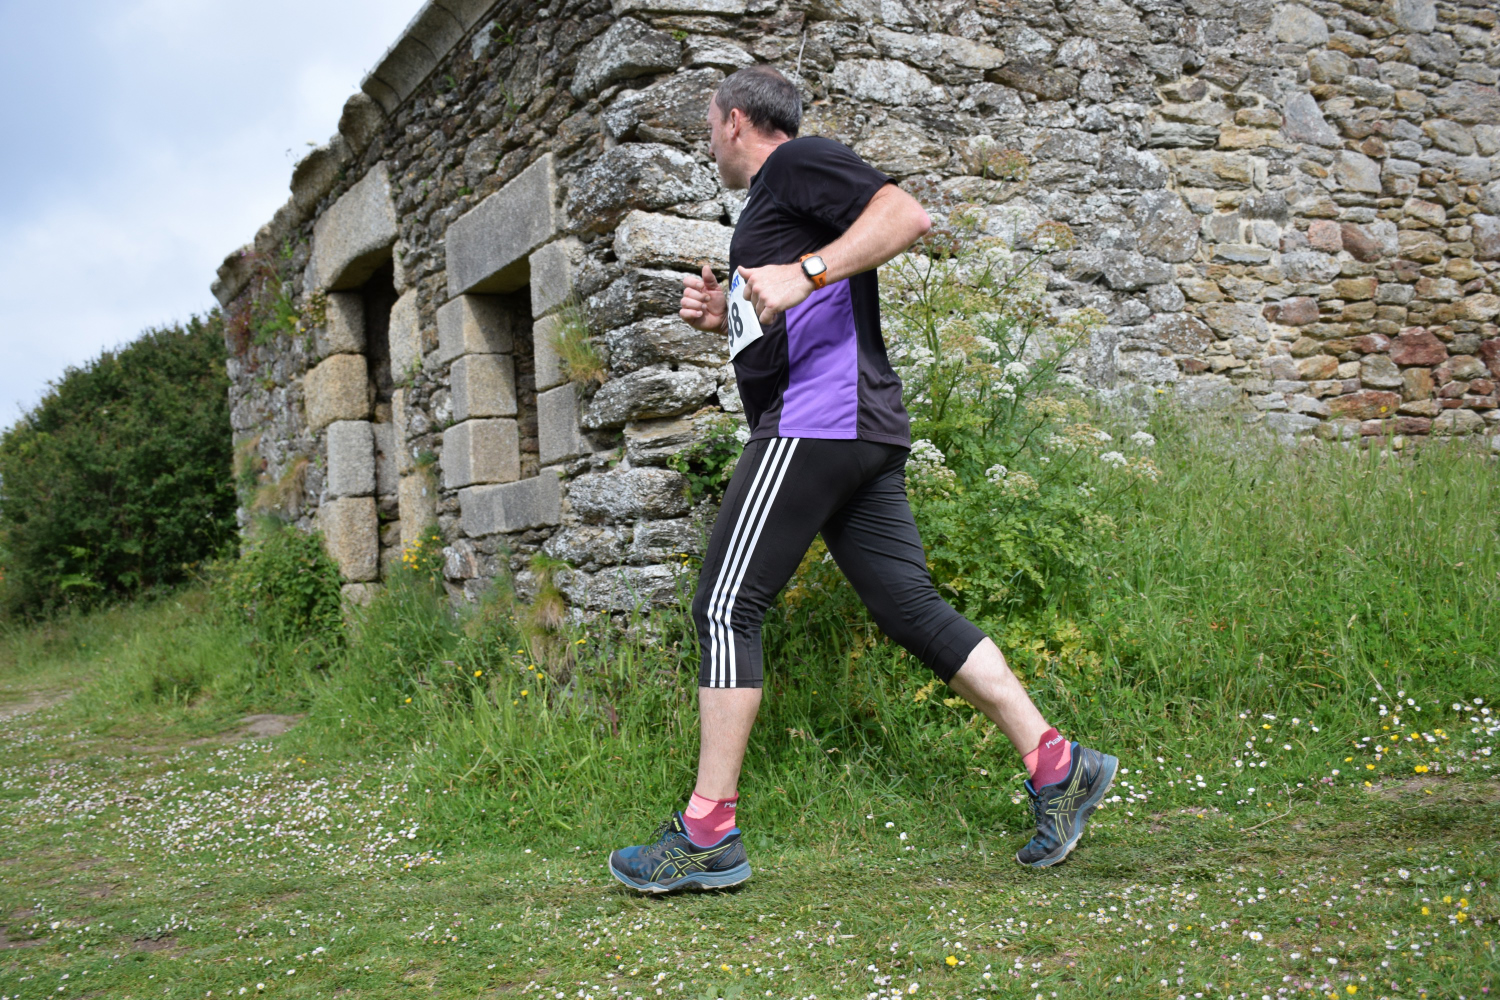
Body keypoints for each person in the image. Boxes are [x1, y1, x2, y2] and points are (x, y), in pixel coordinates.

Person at [607, 65, 1116, 892]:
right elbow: (791, 310)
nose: (710, 146)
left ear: (734, 121)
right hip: (861, 427)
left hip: (817, 420)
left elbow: (904, 214)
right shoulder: (775, 203)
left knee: (725, 607)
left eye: (709, 129)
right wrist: (722, 316)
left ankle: (707, 832)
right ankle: (1059, 765)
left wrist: (801, 273)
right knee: (909, 607)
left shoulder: (795, 161)